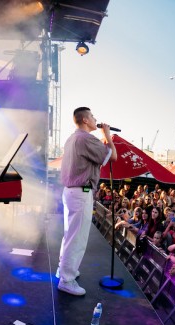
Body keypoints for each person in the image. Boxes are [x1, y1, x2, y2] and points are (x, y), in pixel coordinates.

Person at [56, 107, 116, 296]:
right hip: (80, 192)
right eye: (92, 116)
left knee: (70, 234)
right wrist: (107, 135)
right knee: (77, 238)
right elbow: (112, 156)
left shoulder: (71, 138)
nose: (95, 119)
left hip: (70, 191)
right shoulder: (86, 138)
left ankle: (64, 269)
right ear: (85, 120)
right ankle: (67, 279)